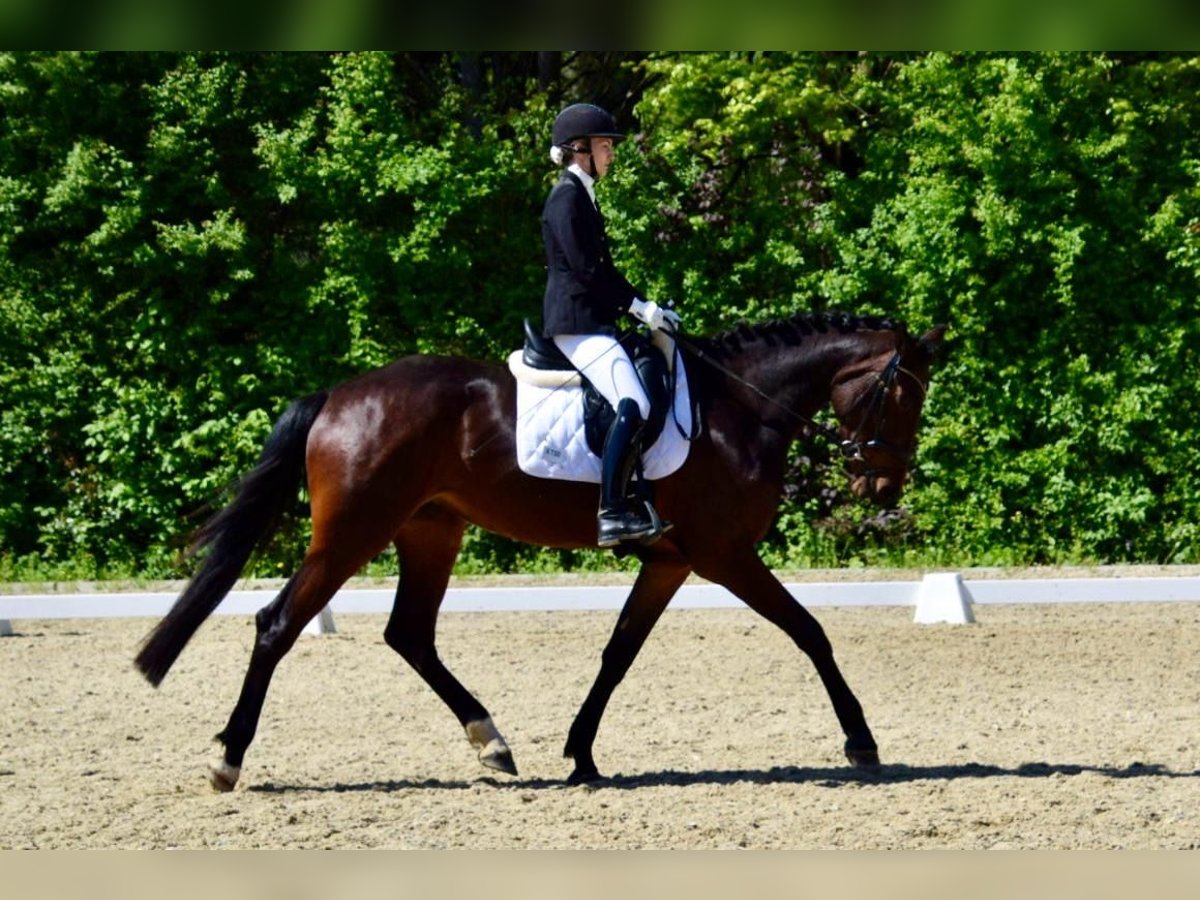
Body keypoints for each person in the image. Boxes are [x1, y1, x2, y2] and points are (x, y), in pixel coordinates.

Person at [540, 102, 680, 548]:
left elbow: (606, 271)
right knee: (633, 403)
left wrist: (647, 305)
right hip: (576, 324)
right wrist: (640, 309)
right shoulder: (567, 197)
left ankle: (636, 498)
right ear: (580, 149)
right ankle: (612, 511)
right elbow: (587, 272)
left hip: (592, 320)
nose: (611, 155)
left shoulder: (584, 195)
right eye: (605, 147)